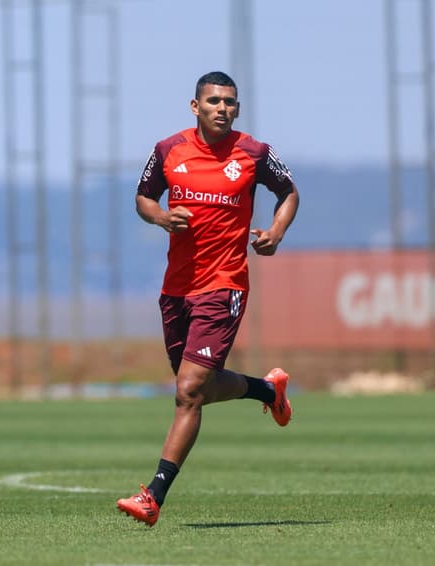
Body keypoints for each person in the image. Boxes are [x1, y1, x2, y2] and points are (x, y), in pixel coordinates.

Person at [116, 71, 300, 527]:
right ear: (195, 107)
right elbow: (142, 197)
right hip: (176, 289)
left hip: (225, 284)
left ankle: (153, 495)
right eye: (215, 101)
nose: (223, 108)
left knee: (188, 391)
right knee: (199, 384)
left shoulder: (254, 153)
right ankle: (266, 388)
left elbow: (289, 193)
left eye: (231, 102)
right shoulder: (168, 150)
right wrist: (160, 216)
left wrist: (275, 232)